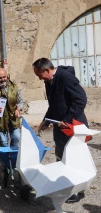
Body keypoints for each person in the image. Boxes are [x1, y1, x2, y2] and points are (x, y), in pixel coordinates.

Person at [33, 57, 88, 203]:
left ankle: (76, 191)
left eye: (39, 75)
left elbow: (81, 99)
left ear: (47, 70)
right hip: (60, 126)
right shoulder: (49, 81)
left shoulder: (65, 77)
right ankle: (66, 186)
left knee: (74, 158)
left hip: (73, 126)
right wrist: (47, 119)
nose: (39, 78)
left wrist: (68, 119)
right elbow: (54, 104)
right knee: (61, 156)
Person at [0, 68, 23, 148]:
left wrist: (18, 109)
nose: (2, 79)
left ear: (7, 76)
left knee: (17, 137)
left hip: (13, 118)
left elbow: (20, 101)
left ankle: (13, 156)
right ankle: (6, 159)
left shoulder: (13, 86)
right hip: (0, 119)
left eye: (4, 77)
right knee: (4, 142)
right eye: (0, 78)